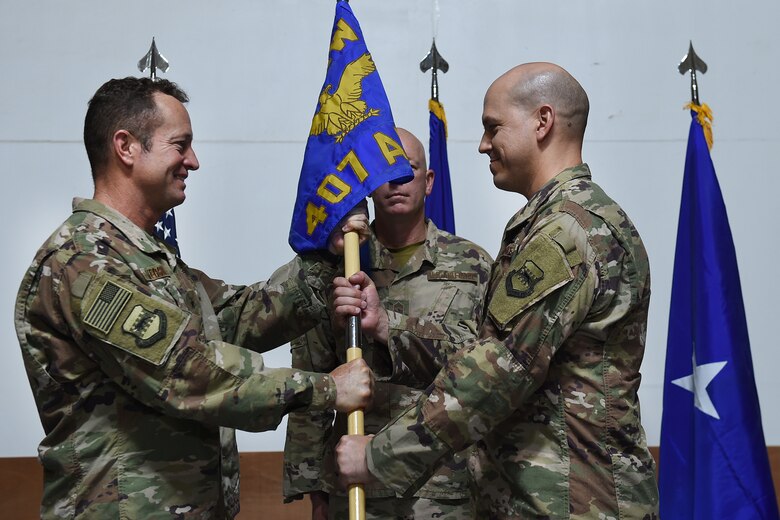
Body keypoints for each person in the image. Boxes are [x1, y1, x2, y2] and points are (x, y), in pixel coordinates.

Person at [14, 76, 374, 519]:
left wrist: (324, 256)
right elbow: (187, 373)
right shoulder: (82, 263)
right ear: (126, 147)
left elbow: (239, 317)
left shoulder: (148, 260)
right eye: (180, 145)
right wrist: (325, 389)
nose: (194, 161)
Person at [333, 63, 660, 519]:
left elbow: (494, 372)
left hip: (571, 501)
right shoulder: (565, 220)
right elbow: (490, 352)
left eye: (493, 127)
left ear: (542, 122)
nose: (484, 144)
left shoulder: (565, 232)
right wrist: (392, 329)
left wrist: (377, 457)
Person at [282, 128, 493, 519]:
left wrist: (387, 327)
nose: (396, 183)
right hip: (358, 487)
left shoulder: (473, 265)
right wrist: (313, 486)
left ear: (429, 182)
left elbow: (486, 370)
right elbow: (312, 376)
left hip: (446, 486)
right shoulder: (341, 266)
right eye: (385, 172)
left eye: (407, 170)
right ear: (368, 184)